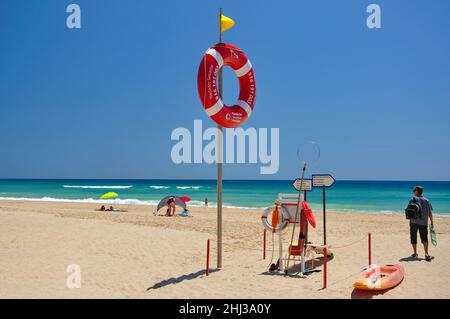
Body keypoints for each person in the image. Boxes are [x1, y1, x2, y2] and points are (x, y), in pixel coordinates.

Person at [408, 186, 434, 261]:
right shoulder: (427, 200)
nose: (413, 191)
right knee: (424, 238)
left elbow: (409, 211)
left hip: (413, 222)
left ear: (417, 191)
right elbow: (430, 213)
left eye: (414, 190)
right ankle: (426, 253)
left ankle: (415, 253)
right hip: (423, 222)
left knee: (413, 237)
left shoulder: (412, 200)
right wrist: (432, 222)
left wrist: (410, 220)